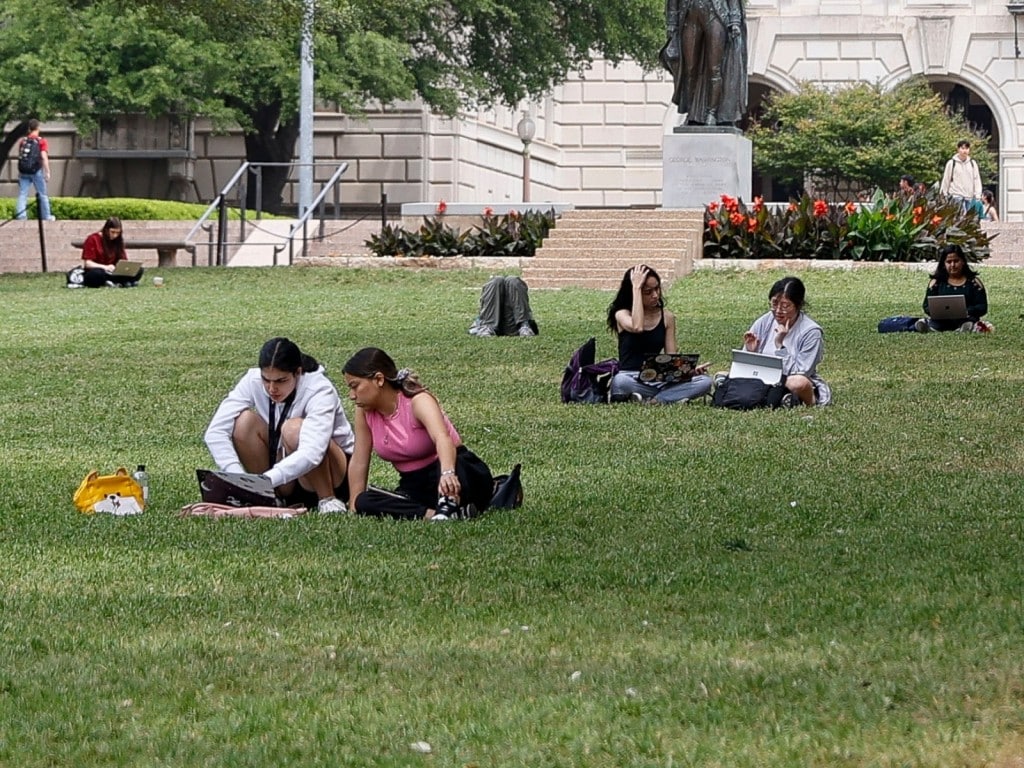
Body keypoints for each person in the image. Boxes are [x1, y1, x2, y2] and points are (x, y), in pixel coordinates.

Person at [342, 347, 494, 521]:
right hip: (414, 484)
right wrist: (355, 504)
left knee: (453, 478)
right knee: (365, 501)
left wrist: (447, 474)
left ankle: (449, 504)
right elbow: (359, 459)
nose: (352, 396)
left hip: (454, 467)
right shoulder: (364, 412)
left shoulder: (418, 401)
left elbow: (443, 439)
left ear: (379, 379)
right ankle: (434, 513)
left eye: (355, 386)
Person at [204, 337, 353, 513]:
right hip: (284, 471)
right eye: (266, 380)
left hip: (335, 473)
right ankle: (269, 497)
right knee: (243, 423)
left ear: (297, 372)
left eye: (281, 381)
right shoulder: (252, 381)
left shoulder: (319, 388)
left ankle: (327, 499)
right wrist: (237, 478)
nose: (272, 388)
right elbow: (214, 432)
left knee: (293, 429)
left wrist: (265, 480)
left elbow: (313, 451)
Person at [606, 264, 712, 404]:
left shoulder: (667, 317)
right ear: (634, 293)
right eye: (647, 292)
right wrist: (636, 287)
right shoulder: (622, 314)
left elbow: (671, 359)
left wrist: (687, 371)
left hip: (657, 379)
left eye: (657, 289)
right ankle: (671, 397)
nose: (655, 295)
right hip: (630, 377)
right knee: (620, 381)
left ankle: (655, 400)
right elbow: (637, 327)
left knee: (705, 382)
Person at [740, 276, 831, 406]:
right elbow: (746, 366)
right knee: (722, 375)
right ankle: (780, 400)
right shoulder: (765, 321)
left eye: (785, 306)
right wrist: (751, 351)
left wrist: (780, 346)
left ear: (798, 305)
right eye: (774, 303)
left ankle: (807, 400)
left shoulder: (811, 332)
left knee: (798, 382)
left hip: (789, 379)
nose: (778, 311)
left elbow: (801, 372)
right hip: (763, 376)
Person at [661, 0, 747, 126]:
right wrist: (672, 23)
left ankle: (711, 113)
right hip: (690, 15)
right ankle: (692, 113)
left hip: (715, 14)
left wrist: (735, 19)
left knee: (714, 69)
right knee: (689, 70)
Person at [915, 244, 988, 333]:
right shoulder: (936, 283)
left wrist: (966, 311)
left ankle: (965, 328)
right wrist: (939, 312)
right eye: (949, 262)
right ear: (944, 264)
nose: (953, 265)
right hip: (941, 320)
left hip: (966, 318)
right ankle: (929, 328)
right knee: (935, 323)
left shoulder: (974, 283)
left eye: (956, 261)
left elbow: (982, 307)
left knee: (969, 323)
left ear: (963, 262)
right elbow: (926, 306)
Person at [79, 217, 142, 287]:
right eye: (112, 232)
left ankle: (115, 282)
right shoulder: (92, 239)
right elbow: (88, 263)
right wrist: (105, 267)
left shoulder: (118, 241)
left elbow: (123, 260)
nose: (115, 235)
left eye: (117, 233)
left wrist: (122, 268)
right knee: (96, 274)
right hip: (99, 271)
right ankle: (122, 282)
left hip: (113, 272)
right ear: (106, 229)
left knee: (139, 270)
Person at [468, 275, 539, 337]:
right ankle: (486, 326)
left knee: (513, 281)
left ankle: (524, 325)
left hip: (514, 326)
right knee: (496, 281)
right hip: (489, 323)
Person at [14, 119, 54, 221]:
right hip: (36, 171)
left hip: (24, 171)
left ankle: (21, 216)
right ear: (37, 128)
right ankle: (47, 216)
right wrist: (47, 171)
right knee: (42, 194)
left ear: (29, 129)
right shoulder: (41, 141)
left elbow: (21, 156)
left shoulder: (23, 141)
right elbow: (44, 157)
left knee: (23, 194)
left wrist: (19, 172)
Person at [940, 140, 983, 214]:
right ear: (958, 149)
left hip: (969, 196)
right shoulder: (951, 163)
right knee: (959, 217)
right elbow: (946, 179)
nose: (964, 151)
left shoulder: (973, 163)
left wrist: (978, 194)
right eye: (962, 148)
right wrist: (944, 194)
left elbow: (977, 179)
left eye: (966, 148)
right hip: (956, 195)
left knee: (968, 220)